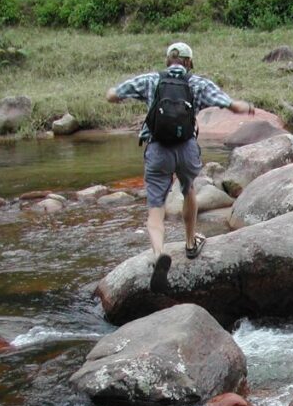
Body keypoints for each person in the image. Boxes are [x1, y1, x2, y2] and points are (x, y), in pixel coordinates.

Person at [106, 41, 255, 288]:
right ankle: (189, 243)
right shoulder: (197, 83)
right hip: (186, 149)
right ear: (189, 62)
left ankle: (158, 254)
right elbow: (230, 104)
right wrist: (245, 107)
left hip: (157, 150)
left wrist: (112, 92)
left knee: (156, 207)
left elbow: (113, 95)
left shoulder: (151, 80)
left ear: (168, 60)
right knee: (189, 190)